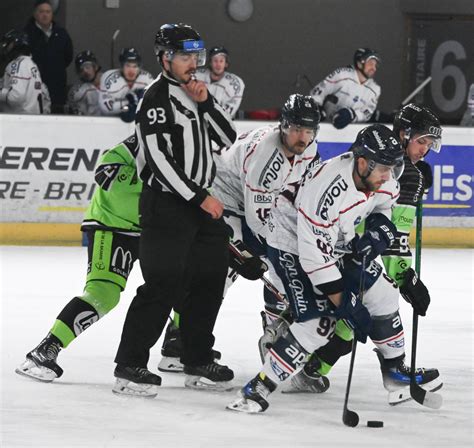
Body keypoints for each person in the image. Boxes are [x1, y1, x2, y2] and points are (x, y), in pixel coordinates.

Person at [227, 124, 440, 413]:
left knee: (384, 293)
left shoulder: (383, 174)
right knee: (320, 324)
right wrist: (345, 302)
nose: (388, 176)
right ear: (363, 162)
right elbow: (316, 258)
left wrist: (378, 231)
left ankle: (394, 373)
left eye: (391, 168)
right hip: (290, 243)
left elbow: (383, 209)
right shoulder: (327, 189)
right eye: (383, 169)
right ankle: (259, 387)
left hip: (334, 240)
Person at [280, 103, 443, 403]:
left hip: (345, 249)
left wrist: (404, 275)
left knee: (355, 316)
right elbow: (387, 228)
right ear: (404, 134)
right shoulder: (387, 165)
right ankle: (389, 371)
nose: (425, 151)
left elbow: (394, 229)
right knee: (359, 308)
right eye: (422, 142)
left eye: (430, 145)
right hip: (329, 249)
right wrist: (404, 277)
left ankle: (314, 369)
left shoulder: (400, 169)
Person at [112, 23, 237, 397]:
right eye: (185, 56)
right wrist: (200, 198)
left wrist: (206, 103)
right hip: (167, 205)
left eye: (196, 56)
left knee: (211, 279)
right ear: (165, 58)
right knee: (163, 284)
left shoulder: (196, 92)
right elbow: (159, 161)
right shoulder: (155, 98)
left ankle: (196, 358)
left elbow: (229, 139)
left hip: (201, 205)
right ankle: (130, 366)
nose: (193, 63)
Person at [158, 94, 321, 373]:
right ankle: (177, 343)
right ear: (283, 125)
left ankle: (278, 338)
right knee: (218, 275)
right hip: (222, 199)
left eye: (308, 130)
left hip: (250, 202)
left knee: (276, 263)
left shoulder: (307, 146)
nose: (302, 137)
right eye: (296, 129)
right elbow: (260, 224)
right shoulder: (268, 159)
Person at [16, 134, 142, 381]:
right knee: (103, 293)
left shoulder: (190, 147)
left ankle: (178, 345)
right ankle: (46, 348)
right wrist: (159, 183)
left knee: (180, 283)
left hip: (158, 231)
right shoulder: (132, 146)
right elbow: (106, 174)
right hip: (112, 227)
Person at [310, 48, 381, 129]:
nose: (374, 68)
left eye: (375, 65)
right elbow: (319, 92)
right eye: (370, 63)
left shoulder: (375, 89)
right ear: (359, 63)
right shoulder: (342, 75)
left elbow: (367, 112)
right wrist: (316, 110)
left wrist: (352, 115)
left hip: (351, 132)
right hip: (325, 127)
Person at [24, 0, 73, 113]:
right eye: (41, 11)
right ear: (35, 14)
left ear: (52, 14)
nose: (45, 15)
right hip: (34, 87)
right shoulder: (27, 34)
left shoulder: (61, 33)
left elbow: (68, 57)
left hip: (57, 87)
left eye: (48, 11)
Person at [0, 29, 50, 114]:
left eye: (8, 44)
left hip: (19, 120)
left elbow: (15, 97)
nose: (6, 47)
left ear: (15, 44)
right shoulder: (30, 64)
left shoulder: (18, 64)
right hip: (31, 118)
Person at [99, 47, 154, 122]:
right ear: (122, 66)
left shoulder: (147, 79)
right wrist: (128, 101)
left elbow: (157, 105)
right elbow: (105, 108)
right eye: (128, 65)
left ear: (139, 67)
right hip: (110, 124)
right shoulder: (110, 80)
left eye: (135, 66)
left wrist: (135, 104)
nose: (131, 70)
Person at [195, 46, 245, 118]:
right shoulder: (196, 75)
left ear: (226, 63)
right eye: (215, 60)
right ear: (210, 63)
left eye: (221, 61)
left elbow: (227, 114)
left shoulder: (235, 83)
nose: (218, 64)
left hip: (220, 124)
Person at [68, 50, 103, 115]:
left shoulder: (109, 84)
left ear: (95, 67)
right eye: (81, 69)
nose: (85, 71)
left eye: (87, 67)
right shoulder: (78, 91)